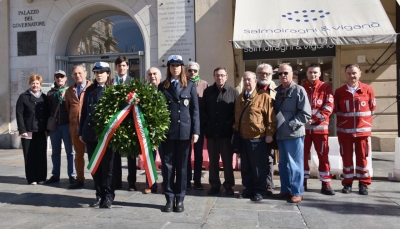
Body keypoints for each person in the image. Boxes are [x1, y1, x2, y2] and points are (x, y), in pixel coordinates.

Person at [158, 55, 200, 213]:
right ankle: (169, 198)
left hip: (184, 132)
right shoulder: (163, 86)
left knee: (182, 167)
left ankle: (180, 199)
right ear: (168, 68)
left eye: (178, 65)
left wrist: (195, 131)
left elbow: (195, 110)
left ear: (182, 67)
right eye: (172, 65)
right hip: (168, 133)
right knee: (168, 167)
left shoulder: (189, 85)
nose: (175, 68)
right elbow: (158, 111)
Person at [233, 71, 277, 202]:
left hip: (258, 138)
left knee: (258, 167)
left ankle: (259, 191)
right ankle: (248, 189)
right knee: (245, 166)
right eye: (245, 80)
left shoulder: (264, 97)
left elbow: (271, 119)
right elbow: (236, 118)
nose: (247, 82)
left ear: (255, 81)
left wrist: (269, 134)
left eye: (249, 80)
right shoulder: (240, 97)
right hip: (243, 137)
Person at [334, 64, 376, 195]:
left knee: (362, 158)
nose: (352, 76)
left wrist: (363, 123)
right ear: (345, 74)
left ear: (360, 74)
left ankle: (363, 183)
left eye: (354, 73)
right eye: (349, 73)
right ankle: (347, 183)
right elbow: (336, 109)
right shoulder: (339, 92)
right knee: (346, 158)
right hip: (344, 132)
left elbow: (372, 108)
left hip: (362, 131)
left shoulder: (368, 90)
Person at [272, 64, 311, 203]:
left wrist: (291, 125)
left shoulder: (299, 90)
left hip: (294, 134)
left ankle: (297, 192)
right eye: (280, 73)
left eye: (285, 73)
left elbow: (306, 114)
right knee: (283, 164)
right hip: (281, 134)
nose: (282, 75)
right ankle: (285, 189)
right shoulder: (276, 91)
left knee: (295, 164)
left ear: (292, 74)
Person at [79, 62, 115, 208]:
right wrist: (81, 131)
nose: (99, 75)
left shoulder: (113, 90)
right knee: (95, 167)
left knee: (108, 167)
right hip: (91, 134)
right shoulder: (89, 91)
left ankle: (108, 195)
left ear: (108, 74)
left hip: (107, 135)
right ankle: (99, 195)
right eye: (97, 72)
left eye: (102, 72)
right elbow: (84, 113)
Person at [202, 67, 237, 196]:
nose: (219, 77)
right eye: (217, 75)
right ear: (214, 76)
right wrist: (207, 125)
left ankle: (228, 185)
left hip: (226, 133)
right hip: (211, 133)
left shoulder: (233, 92)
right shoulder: (208, 92)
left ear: (226, 77)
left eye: (222, 75)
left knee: (227, 161)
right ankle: (215, 185)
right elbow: (203, 110)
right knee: (213, 161)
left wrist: (229, 125)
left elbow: (236, 112)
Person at [302, 63, 335, 195]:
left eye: (315, 72)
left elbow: (329, 107)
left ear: (320, 73)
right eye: (310, 72)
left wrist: (314, 119)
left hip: (320, 129)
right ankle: (302, 182)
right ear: (307, 74)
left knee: (323, 156)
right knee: (302, 157)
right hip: (304, 130)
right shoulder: (301, 88)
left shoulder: (326, 87)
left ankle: (326, 184)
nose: (313, 74)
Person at [16, 74, 49, 185]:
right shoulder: (23, 97)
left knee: (41, 154)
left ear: (40, 85)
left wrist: (47, 130)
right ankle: (32, 178)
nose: (35, 85)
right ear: (29, 84)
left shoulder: (44, 98)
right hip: (28, 131)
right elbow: (19, 114)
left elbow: (48, 114)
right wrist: (22, 130)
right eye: (33, 83)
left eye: (37, 83)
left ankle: (41, 177)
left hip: (40, 130)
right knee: (29, 154)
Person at [111, 56, 137, 191]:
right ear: (116, 67)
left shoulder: (133, 82)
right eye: (119, 65)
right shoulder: (111, 82)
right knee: (115, 154)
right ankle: (117, 181)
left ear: (127, 67)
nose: (121, 68)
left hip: (129, 122)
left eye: (123, 65)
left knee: (131, 154)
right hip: (115, 122)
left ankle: (132, 182)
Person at [45, 70, 76, 185]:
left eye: (61, 77)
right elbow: (48, 110)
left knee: (70, 152)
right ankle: (55, 175)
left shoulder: (70, 91)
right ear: (54, 79)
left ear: (66, 78)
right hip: (55, 127)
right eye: (57, 77)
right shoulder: (50, 93)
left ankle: (72, 175)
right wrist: (47, 129)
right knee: (55, 152)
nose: (59, 79)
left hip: (67, 125)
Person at [65, 64, 92, 189]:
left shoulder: (92, 88)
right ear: (72, 76)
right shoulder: (69, 91)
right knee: (78, 155)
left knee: (93, 155)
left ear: (85, 74)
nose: (78, 75)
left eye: (80, 73)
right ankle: (80, 178)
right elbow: (68, 108)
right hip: (75, 128)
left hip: (90, 128)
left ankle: (96, 178)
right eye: (75, 74)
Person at [255, 63, 277, 196]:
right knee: (254, 159)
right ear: (257, 74)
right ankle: (256, 183)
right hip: (254, 131)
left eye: (267, 74)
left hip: (270, 130)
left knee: (269, 159)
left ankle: (269, 185)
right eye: (261, 73)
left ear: (271, 75)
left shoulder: (277, 90)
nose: (264, 76)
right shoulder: (250, 88)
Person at [186, 61, 208, 191]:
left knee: (199, 154)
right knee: (186, 154)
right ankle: (187, 180)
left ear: (198, 71)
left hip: (199, 125)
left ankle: (198, 180)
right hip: (185, 125)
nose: (192, 73)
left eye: (194, 70)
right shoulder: (183, 83)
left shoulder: (204, 85)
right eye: (190, 70)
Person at [142, 66, 163, 194]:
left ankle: (167, 183)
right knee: (149, 158)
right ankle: (150, 184)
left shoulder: (165, 89)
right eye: (150, 74)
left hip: (163, 130)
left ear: (160, 76)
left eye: (155, 74)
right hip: (148, 130)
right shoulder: (144, 91)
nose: (152, 76)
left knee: (166, 160)